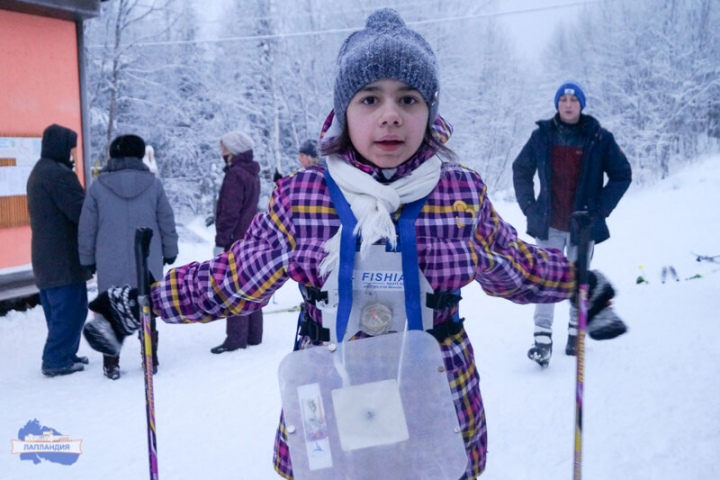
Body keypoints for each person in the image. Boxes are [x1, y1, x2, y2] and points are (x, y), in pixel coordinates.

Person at [83, 9, 626, 479]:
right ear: (344, 112)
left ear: (430, 113)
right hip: (329, 395)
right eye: (371, 98)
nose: (390, 113)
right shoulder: (304, 197)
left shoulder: (457, 192)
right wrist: (142, 303)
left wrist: (579, 283)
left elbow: (515, 264)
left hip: (435, 400)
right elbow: (234, 280)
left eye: (408, 98)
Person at [512, 81, 632, 365]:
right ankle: (542, 339)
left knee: (579, 281)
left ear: (581, 105)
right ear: (557, 104)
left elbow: (621, 174)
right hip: (549, 223)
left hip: (583, 226)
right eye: (563, 99)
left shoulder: (599, 138)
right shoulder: (541, 136)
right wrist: (530, 207)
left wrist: (600, 210)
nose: (568, 104)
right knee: (546, 279)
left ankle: (574, 335)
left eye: (573, 100)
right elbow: (521, 169)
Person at [78, 134, 178, 379]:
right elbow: (166, 220)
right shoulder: (153, 185)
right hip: (146, 257)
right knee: (147, 306)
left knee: (109, 306)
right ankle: (149, 360)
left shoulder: (98, 187)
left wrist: (86, 259)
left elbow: (87, 226)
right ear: (141, 155)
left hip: (109, 260)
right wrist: (169, 250)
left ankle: (111, 364)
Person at [26, 124, 91, 377]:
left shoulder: (40, 171)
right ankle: (55, 360)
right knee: (71, 309)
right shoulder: (58, 175)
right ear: (61, 148)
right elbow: (80, 211)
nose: (72, 155)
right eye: (70, 149)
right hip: (63, 258)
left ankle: (66, 353)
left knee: (58, 310)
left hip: (46, 256)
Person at [209, 131, 263, 354]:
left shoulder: (235, 175)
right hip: (251, 237)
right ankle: (254, 334)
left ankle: (236, 338)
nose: (221, 151)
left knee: (233, 288)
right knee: (251, 285)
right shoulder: (251, 173)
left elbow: (229, 213)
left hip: (235, 240)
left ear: (233, 150)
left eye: (224, 147)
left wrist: (221, 241)